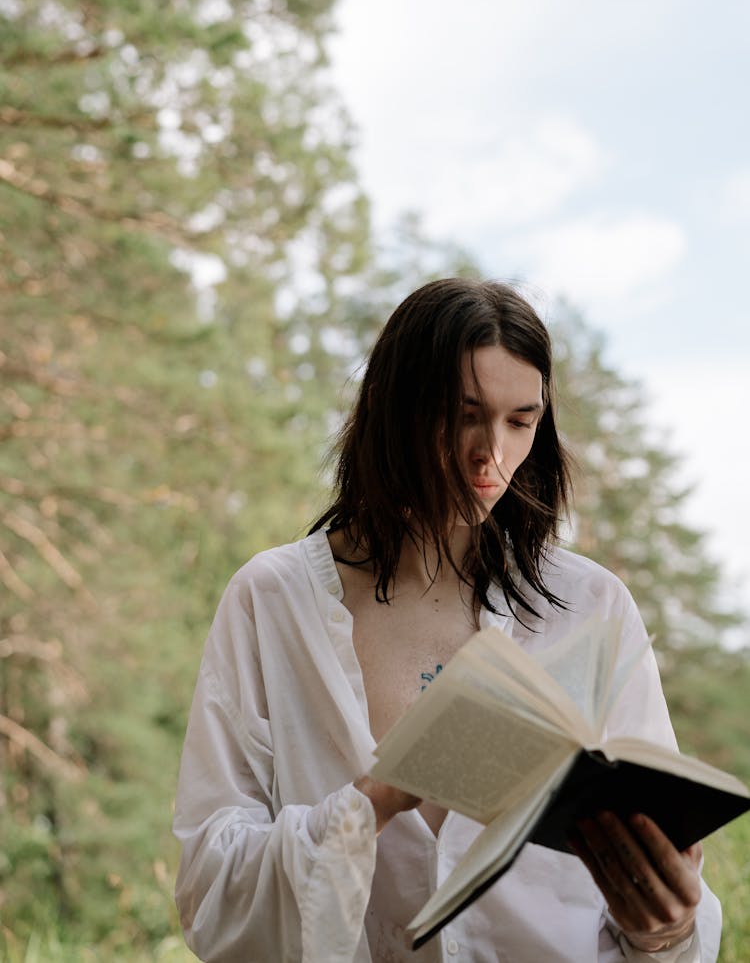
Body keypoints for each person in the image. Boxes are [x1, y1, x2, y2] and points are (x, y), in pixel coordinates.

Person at [173, 278, 721, 962]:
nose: (491, 454)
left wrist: (663, 929)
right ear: (394, 407)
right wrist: (370, 801)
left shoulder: (593, 608)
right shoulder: (271, 601)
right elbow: (210, 890)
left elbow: (664, 921)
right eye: (463, 414)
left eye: (520, 420)